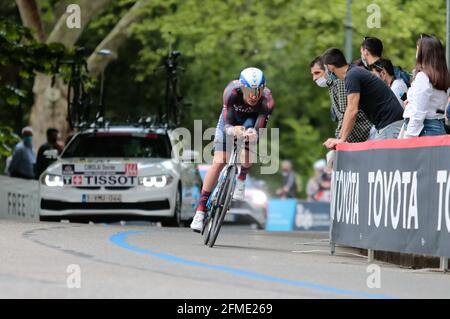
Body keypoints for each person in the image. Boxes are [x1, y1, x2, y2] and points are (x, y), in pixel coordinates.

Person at [190, 67, 275, 232]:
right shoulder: (231, 92)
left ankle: (242, 177)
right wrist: (232, 130)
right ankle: (200, 211)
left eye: (258, 90)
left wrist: (252, 134)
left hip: (252, 121)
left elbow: (259, 128)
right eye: (250, 90)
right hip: (231, 120)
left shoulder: (267, 100)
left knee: (249, 145)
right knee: (219, 161)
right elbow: (227, 122)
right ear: (242, 88)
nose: (254, 95)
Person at [321, 48, 404, 150]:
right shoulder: (353, 72)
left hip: (389, 124)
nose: (326, 73)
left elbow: (352, 110)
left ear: (330, 67)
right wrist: (339, 138)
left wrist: (341, 140)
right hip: (386, 124)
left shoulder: (352, 76)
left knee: (383, 164)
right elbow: (349, 111)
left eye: (325, 69)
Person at [310, 56, 372, 142]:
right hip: (356, 135)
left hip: (363, 133)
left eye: (317, 73)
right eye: (313, 74)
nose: (314, 78)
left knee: (332, 154)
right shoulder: (332, 85)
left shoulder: (340, 82)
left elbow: (345, 114)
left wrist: (339, 139)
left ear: (328, 69)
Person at [402, 35, 450, 138]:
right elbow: (438, 108)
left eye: (417, 49)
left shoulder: (423, 77)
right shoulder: (440, 76)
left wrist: (409, 137)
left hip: (424, 130)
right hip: (436, 127)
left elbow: (418, 112)